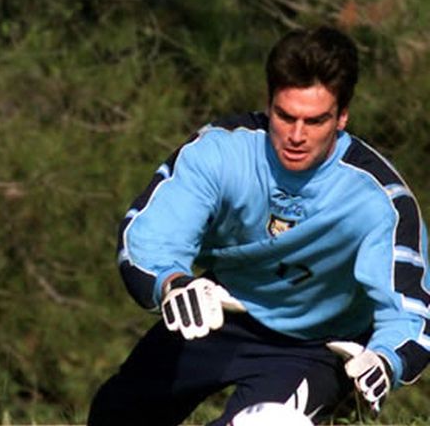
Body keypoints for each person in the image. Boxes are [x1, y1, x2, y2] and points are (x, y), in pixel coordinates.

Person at [88, 26, 430, 425]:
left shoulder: (380, 200)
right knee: (115, 413)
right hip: (219, 310)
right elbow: (148, 237)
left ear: (342, 117)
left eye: (315, 121)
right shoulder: (220, 152)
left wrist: (386, 360)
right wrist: (172, 283)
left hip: (316, 347)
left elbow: (411, 312)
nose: (297, 136)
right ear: (269, 105)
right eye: (285, 116)